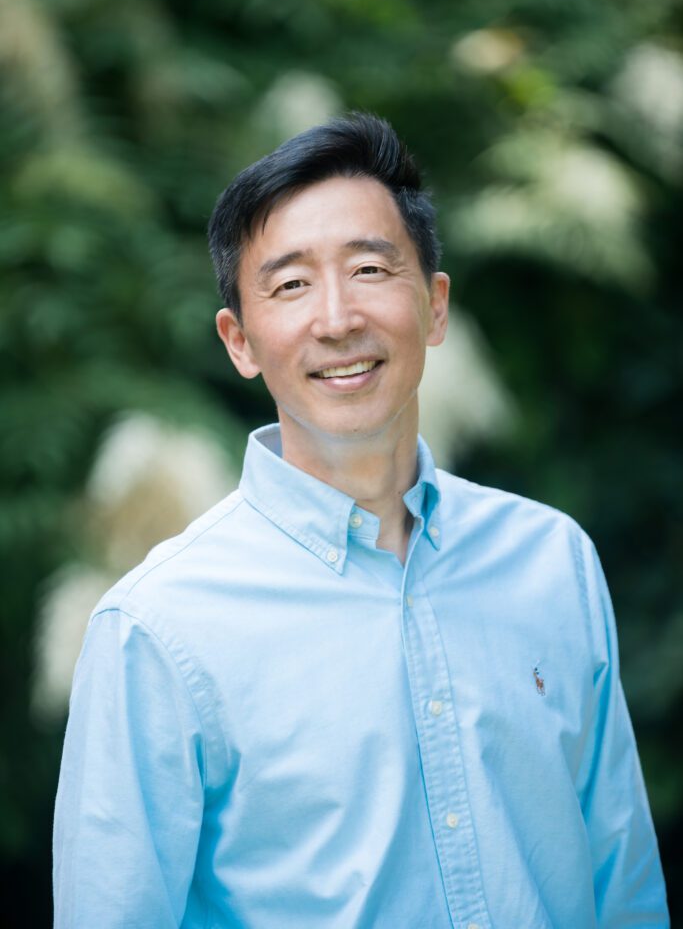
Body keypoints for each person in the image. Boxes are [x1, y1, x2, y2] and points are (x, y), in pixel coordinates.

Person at [53, 113, 669, 928]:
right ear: (239, 341)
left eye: (370, 268)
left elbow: (621, 886)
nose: (337, 318)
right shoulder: (158, 629)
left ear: (434, 305)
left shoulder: (551, 560)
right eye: (291, 284)